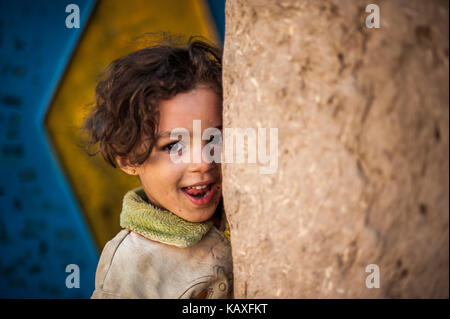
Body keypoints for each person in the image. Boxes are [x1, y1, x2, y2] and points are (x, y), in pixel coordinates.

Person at [82, 35, 232, 299]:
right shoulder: (131, 267)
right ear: (128, 159)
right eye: (174, 146)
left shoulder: (238, 210)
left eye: (214, 138)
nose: (203, 161)